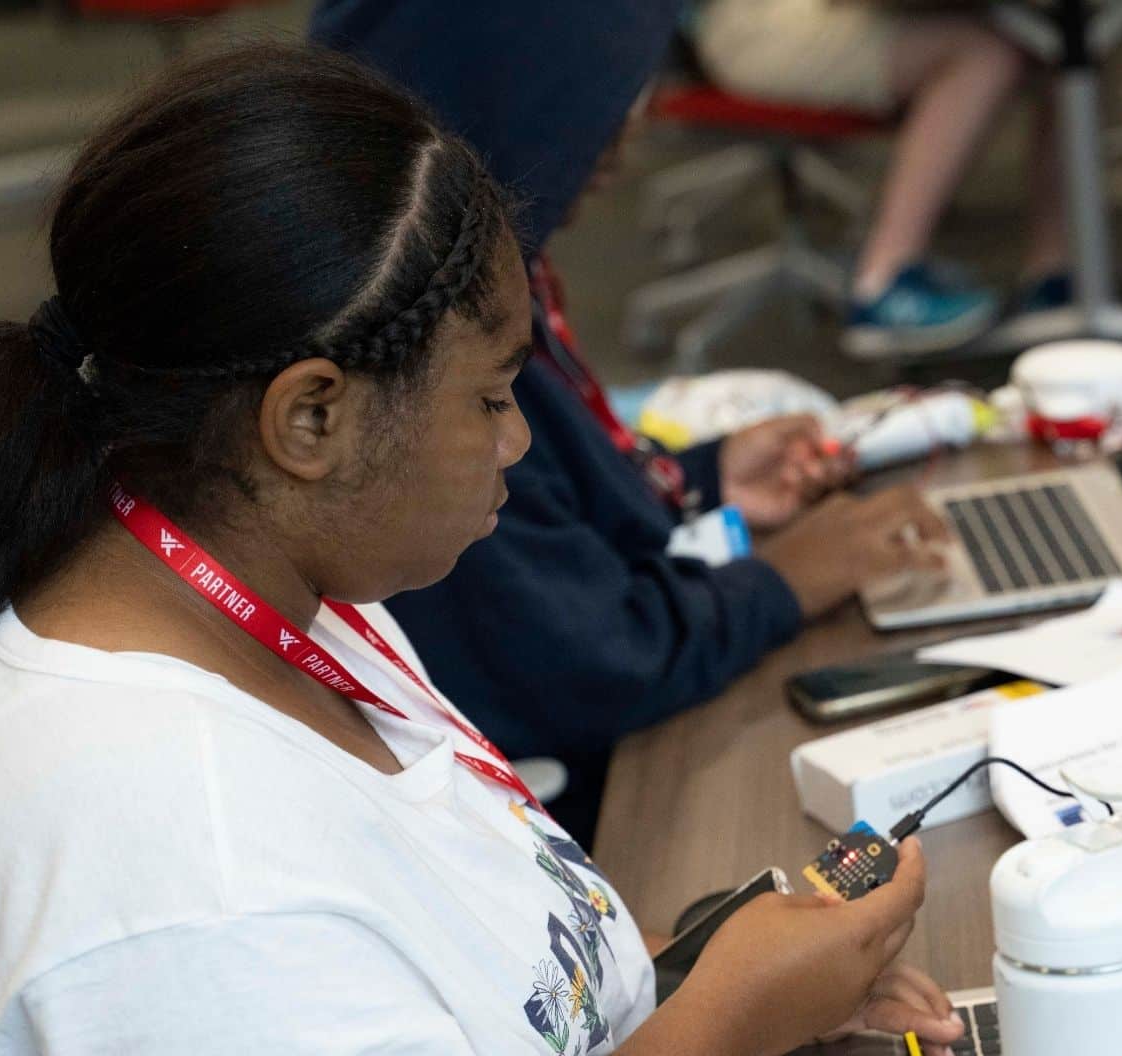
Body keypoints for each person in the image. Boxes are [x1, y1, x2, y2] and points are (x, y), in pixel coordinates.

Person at [0, 45, 963, 1056]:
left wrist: (706, 967)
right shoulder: (181, 878)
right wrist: (728, 1017)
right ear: (310, 419)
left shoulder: (236, 579)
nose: (515, 441)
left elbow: (435, 978)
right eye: (489, 398)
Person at [312, 0, 949, 844]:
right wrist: (787, 579)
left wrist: (699, 480)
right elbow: (590, 661)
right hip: (576, 804)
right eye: (596, 112)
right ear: (513, 104)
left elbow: (555, 505)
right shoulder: (426, 363)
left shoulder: (488, 277)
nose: (622, 144)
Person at [693, 0, 1074, 357]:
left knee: (1063, 47)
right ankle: (884, 283)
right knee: (985, 55)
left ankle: (1052, 277)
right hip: (759, 26)